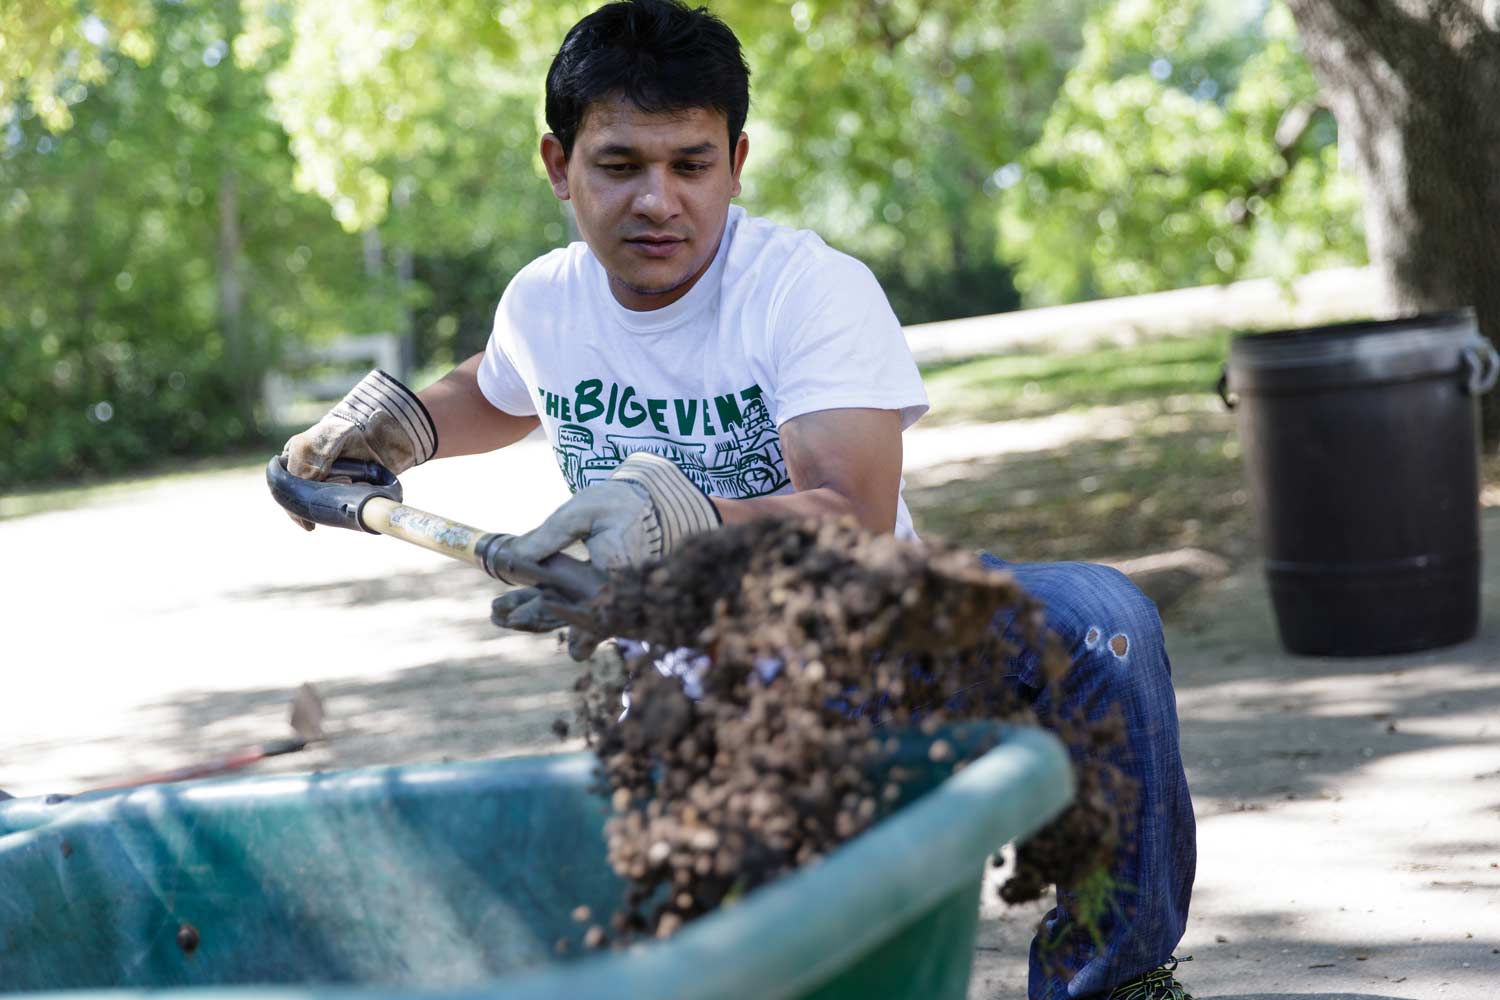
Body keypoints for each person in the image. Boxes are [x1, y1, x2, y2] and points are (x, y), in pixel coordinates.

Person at [281, 2, 1195, 997]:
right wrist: (393, 427)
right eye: (620, 164)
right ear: (559, 164)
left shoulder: (807, 290)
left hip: (883, 638)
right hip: (694, 691)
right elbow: (499, 387)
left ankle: (1113, 982)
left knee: (1105, 626)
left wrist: (689, 519)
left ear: (738, 160)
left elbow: (846, 512)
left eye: (691, 163)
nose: (657, 201)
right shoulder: (545, 302)